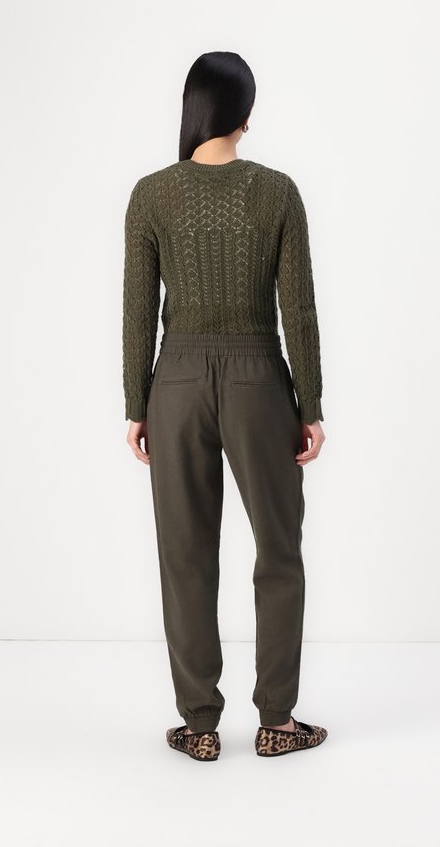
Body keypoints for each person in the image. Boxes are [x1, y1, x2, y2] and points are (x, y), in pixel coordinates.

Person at [122, 51, 328, 761]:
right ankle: (278, 721)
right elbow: (298, 309)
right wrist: (310, 403)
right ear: (244, 114)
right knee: (280, 548)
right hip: (259, 379)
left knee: (185, 553)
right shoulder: (277, 193)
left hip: (174, 382)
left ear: (194, 110)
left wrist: (136, 401)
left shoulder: (151, 195)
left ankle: (200, 726)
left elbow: (137, 311)